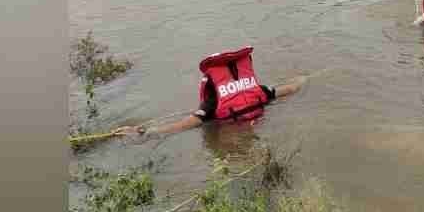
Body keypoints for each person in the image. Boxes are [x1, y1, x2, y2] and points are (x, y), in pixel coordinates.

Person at [117, 46, 306, 142]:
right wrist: (302, 80)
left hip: (229, 137)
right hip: (256, 131)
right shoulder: (258, 90)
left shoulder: (211, 104)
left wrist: (145, 132)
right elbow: (288, 89)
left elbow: (180, 126)